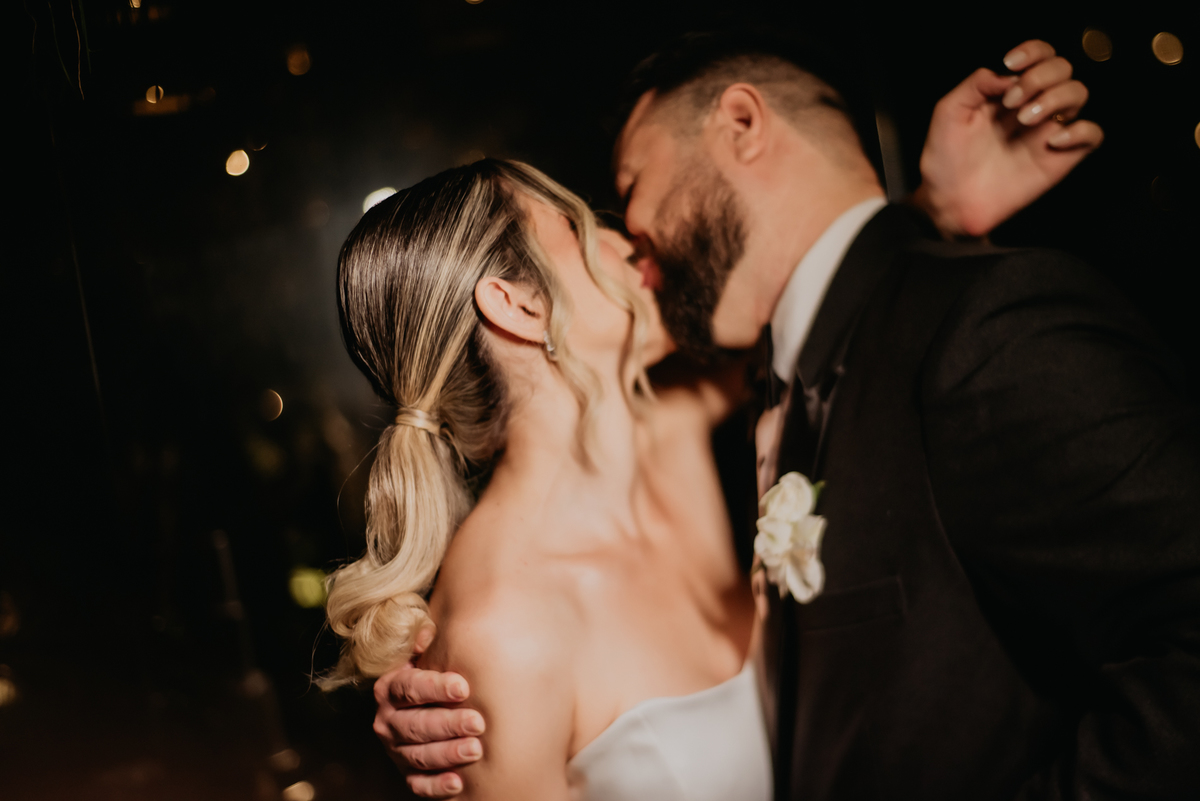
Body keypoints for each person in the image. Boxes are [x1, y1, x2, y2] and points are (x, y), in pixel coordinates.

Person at [360, 36, 1172, 800]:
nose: (631, 240)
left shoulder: (683, 425)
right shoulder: (500, 639)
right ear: (517, 304)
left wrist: (931, 210)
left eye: (617, 202)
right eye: (580, 229)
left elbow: (833, 309)